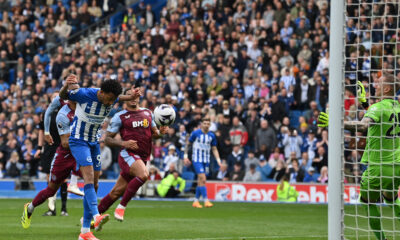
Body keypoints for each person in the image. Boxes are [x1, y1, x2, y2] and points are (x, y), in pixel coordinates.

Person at [318, 73, 400, 240]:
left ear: (387, 88)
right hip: (397, 164)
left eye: (378, 84)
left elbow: (364, 126)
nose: (374, 86)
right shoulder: (396, 107)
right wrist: (364, 104)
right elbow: (381, 120)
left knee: (367, 202)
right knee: (391, 198)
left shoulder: (378, 108)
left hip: (378, 165)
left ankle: (381, 239)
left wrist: (335, 121)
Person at [58, 75, 141, 240]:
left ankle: (84, 233)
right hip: (78, 140)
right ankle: (97, 217)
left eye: (113, 100)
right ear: (102, 93)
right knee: (88, 178)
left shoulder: (111, 97)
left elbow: (118, 97)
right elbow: (63, 96)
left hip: (94, 142)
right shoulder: (84, 94)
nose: (111, 103)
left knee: (95, 184)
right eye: (109, 99)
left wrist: (131, 97)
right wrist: (65, 86)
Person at [97, 88, 167, 222]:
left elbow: (154, 133)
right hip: (127, 154)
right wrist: (124, 143)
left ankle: (89, 218)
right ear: (126, 98)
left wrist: (162, 132)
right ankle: (121, 207)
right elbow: (107, 139)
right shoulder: (120, 116)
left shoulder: (148, 113)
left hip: (142, 157)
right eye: (130, 95)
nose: (134, 98)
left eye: (136, 96)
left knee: (116, 192)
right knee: (144, 175)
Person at [21, 85, 82, 229]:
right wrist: (44, 139)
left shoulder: (84, 106)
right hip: (60, 151)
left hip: (77, 151)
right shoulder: (61, 111)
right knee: (51, 189)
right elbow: (46, 121)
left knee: (92, 178)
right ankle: (30, 208)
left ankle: (91, 217)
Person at [184, 115, 222, 208]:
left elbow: (214, 148)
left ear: (210, 125)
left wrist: (218, 160)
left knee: (200, 181)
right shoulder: (196, 133)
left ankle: (196, 201)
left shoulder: (211, 135)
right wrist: (185, 156)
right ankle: (206, 200)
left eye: (208, 123)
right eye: (204, 123)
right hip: (197, 159)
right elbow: (188, 144)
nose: (206, 125)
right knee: (203, 178)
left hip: (206, 160)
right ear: (201, 124)